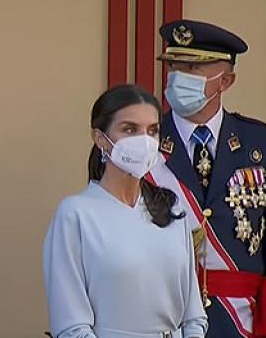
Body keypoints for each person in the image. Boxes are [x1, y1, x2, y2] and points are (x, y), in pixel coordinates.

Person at [43, 84, 208, 338]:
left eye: (151, 130)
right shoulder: (75, 215)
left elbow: (194, 315)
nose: (143, 140)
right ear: (100, 139)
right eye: (130, 129)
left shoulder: (171, 209)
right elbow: (71, 325)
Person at [150, 19, 266, 337]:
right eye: (174, 67)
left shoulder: (260, 144)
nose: (178, 78)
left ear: (225, 81)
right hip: (162, 317)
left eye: (192, 68)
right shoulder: (144, 143)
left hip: (239, 321)